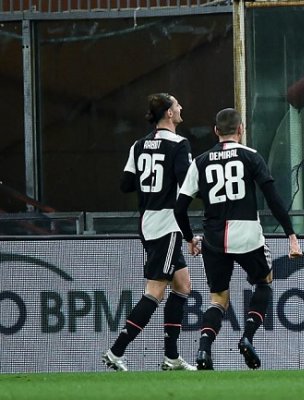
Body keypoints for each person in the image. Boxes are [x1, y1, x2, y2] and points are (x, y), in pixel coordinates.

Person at [174, 107, 302, 370]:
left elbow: (179, 208)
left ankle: (203, 351)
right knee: (264, 282)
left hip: (214, 237)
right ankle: (247, 337)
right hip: (247, 234)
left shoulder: (200, 161)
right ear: (241, 129)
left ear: (215, 131)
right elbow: (273, 198)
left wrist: (189, 238)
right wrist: (290, 233)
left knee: (218, 298)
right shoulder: (251, 156)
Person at [102, 93, 195, 371]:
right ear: (168, 113)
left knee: (183, 285)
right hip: (167, 223)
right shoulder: (179, 144)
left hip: (147, 221)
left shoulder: (139, 145)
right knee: (155, 290)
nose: (180, 108)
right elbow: (187, 182)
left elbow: (126, 184)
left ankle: (172, 357)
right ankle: (116, 351)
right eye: (176, 105)